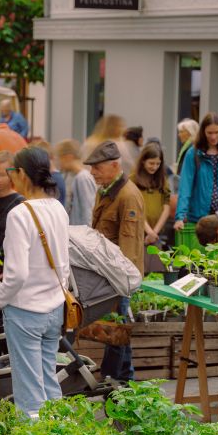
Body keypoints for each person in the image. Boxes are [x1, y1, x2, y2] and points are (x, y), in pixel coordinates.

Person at [0, 147, 67, 418]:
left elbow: (17, 275)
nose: (11, 175)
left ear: (22, 174)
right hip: (55, 308)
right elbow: (63, 263)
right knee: (49, 381)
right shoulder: (58, 208)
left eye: (11, 170)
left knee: (29, 394)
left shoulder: (20, 213)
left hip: (26, 310)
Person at [87, 141, 145, 383]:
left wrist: (121, 283)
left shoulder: (128, 195)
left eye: (97, 168)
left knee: (116, 327)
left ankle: (113, 377)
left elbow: (129, 247)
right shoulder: (106, 190)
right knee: (117, 326)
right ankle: (123, 378)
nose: (92, 173)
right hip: (107, 272)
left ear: (114, 165)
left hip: (118, 276)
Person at [173, 113, 218, 251]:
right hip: (199, 218)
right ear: (203, 132)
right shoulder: (193, 153)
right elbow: (185, 186)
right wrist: (180, 216)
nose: (213, 137)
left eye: (217, 132)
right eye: (209, 133)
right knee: (199, 261)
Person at [131, 143, 171, 248]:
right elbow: (134, 208)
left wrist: (154, 232)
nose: (154, 167)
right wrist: (148, 231)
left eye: (158, 164)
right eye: (151, 163)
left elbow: (166, 208)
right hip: (137, 232)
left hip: (157, 234)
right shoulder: (133, 180)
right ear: (143, 161)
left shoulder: (163, 180)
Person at [55, 139, 97, 226]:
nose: (59, 163)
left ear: (68, 157)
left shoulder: (83, 178)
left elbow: (87, 212)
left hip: (80, 234)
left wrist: (87, 235)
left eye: (60, 158)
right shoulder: (70, 176)